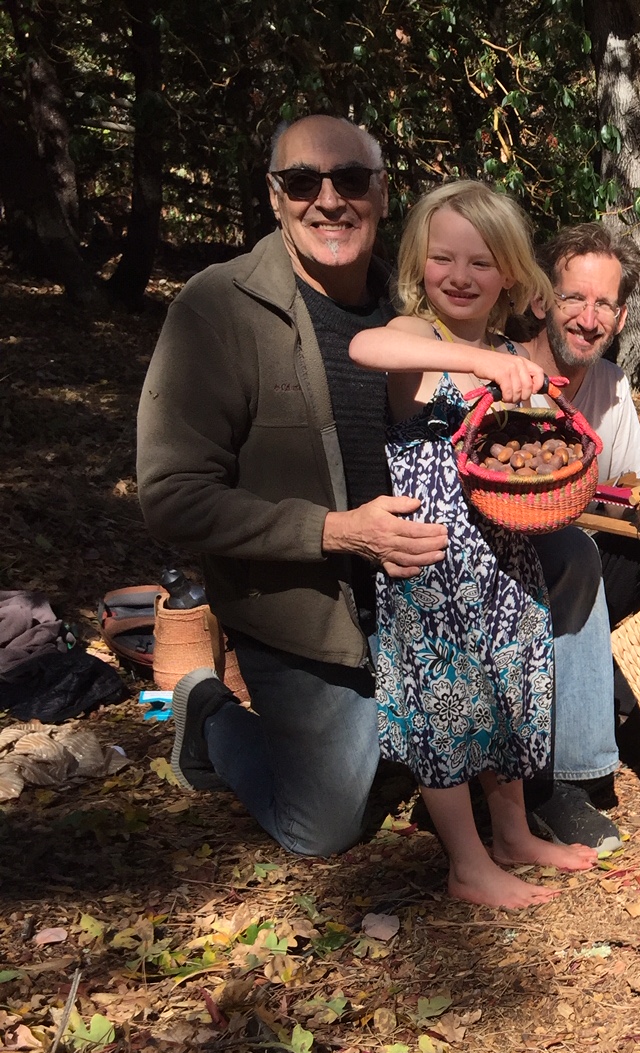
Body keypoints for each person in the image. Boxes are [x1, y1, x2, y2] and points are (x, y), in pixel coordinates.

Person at [138, 115, 441, 857]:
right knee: (326, 824)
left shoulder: (417, 303)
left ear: (382, 190)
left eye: (351, 180)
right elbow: (172, 495)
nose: (329, 200)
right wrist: (337, 531)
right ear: (275, 197)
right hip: (302, 617)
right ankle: (208, 713)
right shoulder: (218, 307)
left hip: (417, 602)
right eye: (303, 181)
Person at [348, 179, 597, 906]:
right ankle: (466, 864)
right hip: (430, 562)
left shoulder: (507, 348)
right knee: (447, 705)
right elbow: (367, 346)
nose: (459, 276)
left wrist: (542, 404)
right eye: (442, 259)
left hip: (500, 554)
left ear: (512, 276)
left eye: (480, 263)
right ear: (419, 264)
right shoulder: (418, 337)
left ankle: (512, 834)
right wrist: (487, 366)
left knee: (512, 689)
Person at [513, 223, 640, 627]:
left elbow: (622, 498)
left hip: (591, 568)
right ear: (540, 301)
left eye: (604, 305)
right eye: (573, 299)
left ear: (621, 317)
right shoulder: (505, 376)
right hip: (517, 579)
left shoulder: (613, 383)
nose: (588, 320)